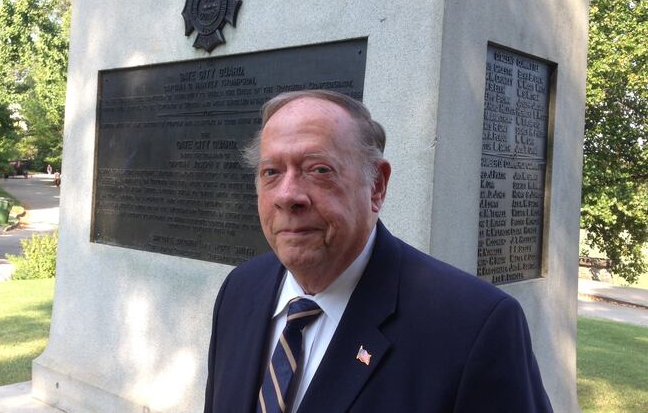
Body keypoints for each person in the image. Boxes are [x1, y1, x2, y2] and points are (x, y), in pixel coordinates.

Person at [204, 90, 552, 413]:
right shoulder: (239, 290)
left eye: (319, 170)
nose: (287, 195)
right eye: (271, 172)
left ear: (377, 186)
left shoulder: (476, 326)